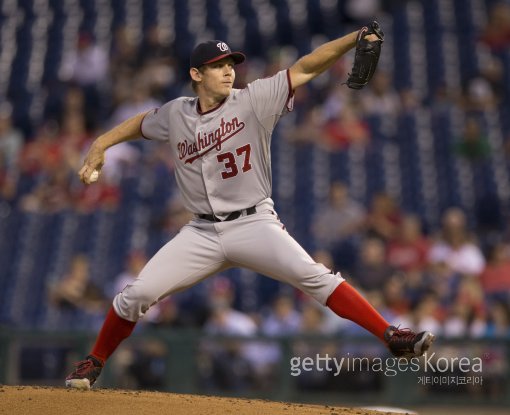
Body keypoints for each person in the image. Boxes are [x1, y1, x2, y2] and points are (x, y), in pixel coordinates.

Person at [65, 29, 435, 390]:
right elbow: (141, 123)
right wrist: (102, 142)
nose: (229, 71)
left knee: (317, 277)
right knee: (135, 296)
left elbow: (306, 67)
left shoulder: (254, 98)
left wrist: (352, 39)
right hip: (201, 232)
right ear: (196, 74)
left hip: (253, 222)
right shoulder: (176, 113)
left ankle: (390, 335)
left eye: (231, 64)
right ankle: (93, 362)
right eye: (218, 65)